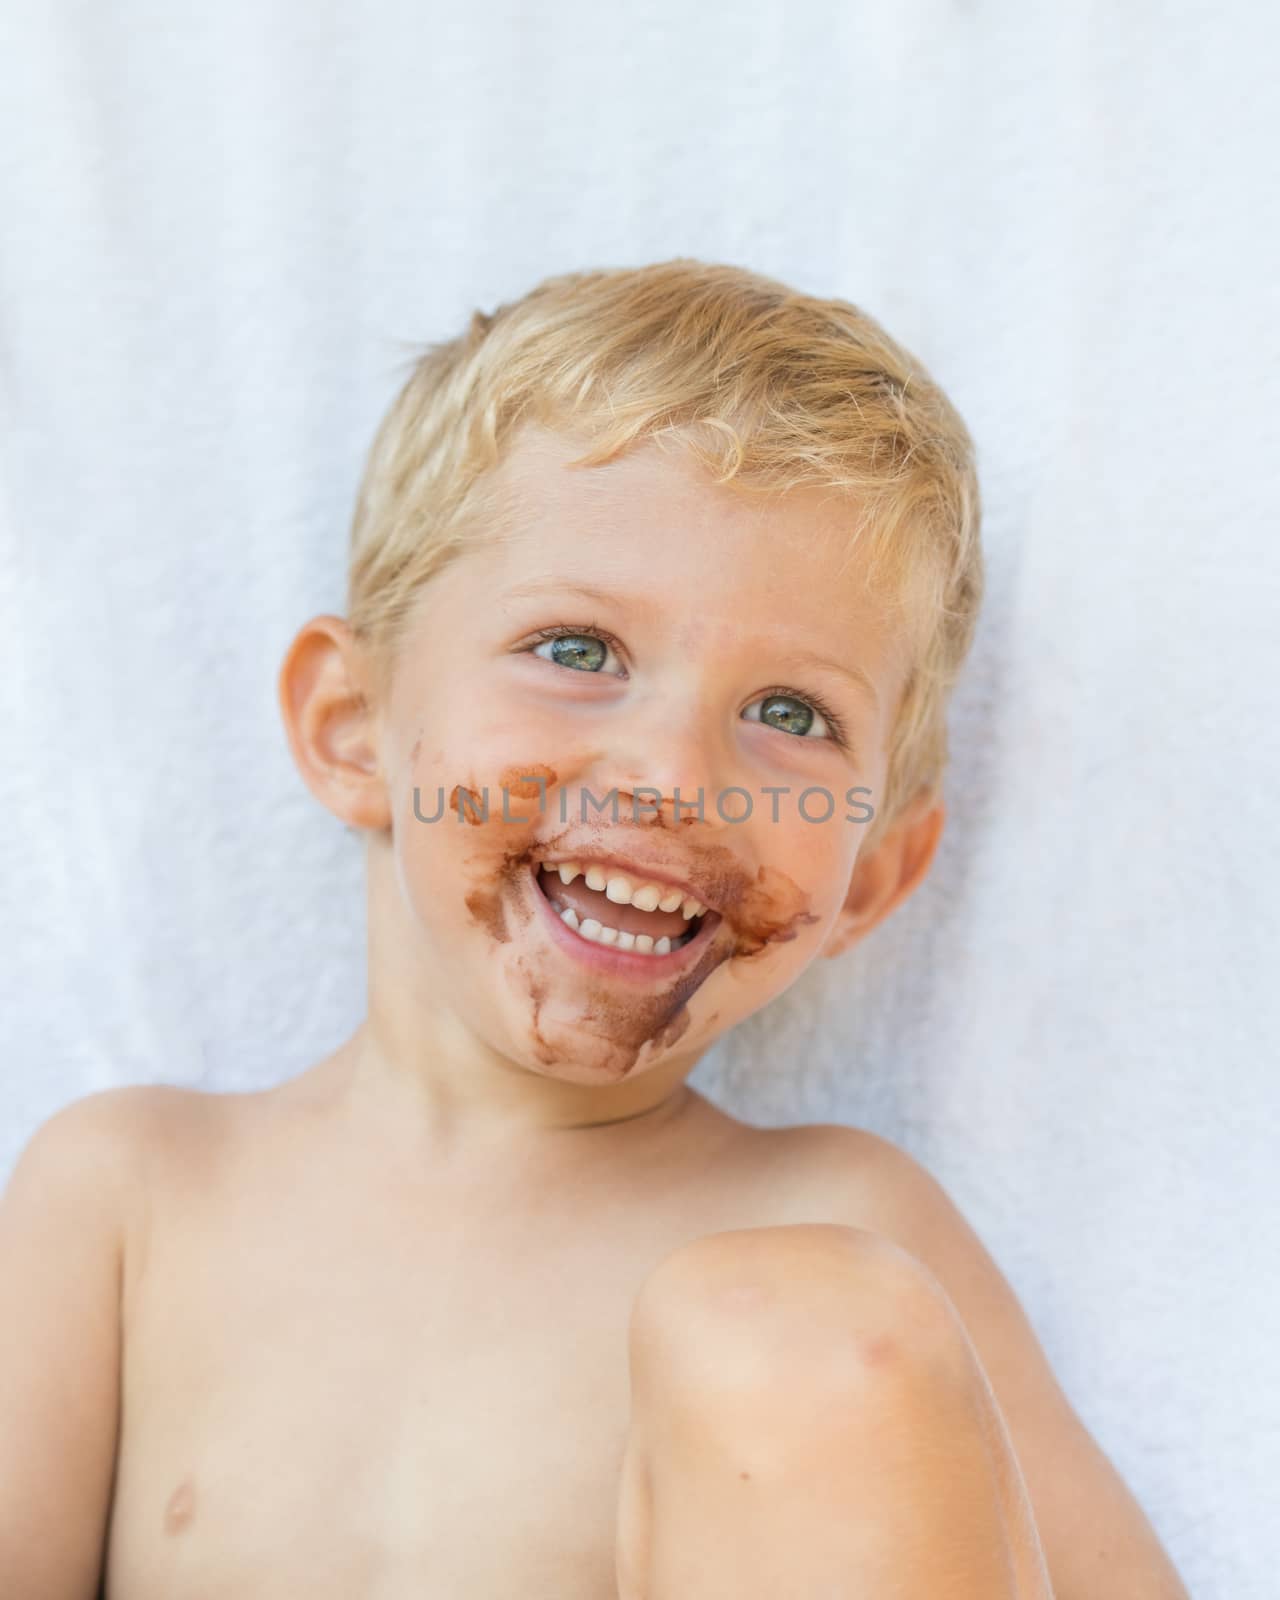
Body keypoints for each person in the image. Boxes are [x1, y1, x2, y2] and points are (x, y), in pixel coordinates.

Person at [0, 258, 1190, 1598]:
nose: (675, 776)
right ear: (352, 730)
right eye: (577, 651)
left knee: (795, 1330)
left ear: (866, 879)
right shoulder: (135, 1201)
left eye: (792, 715)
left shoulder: (846, 1229)